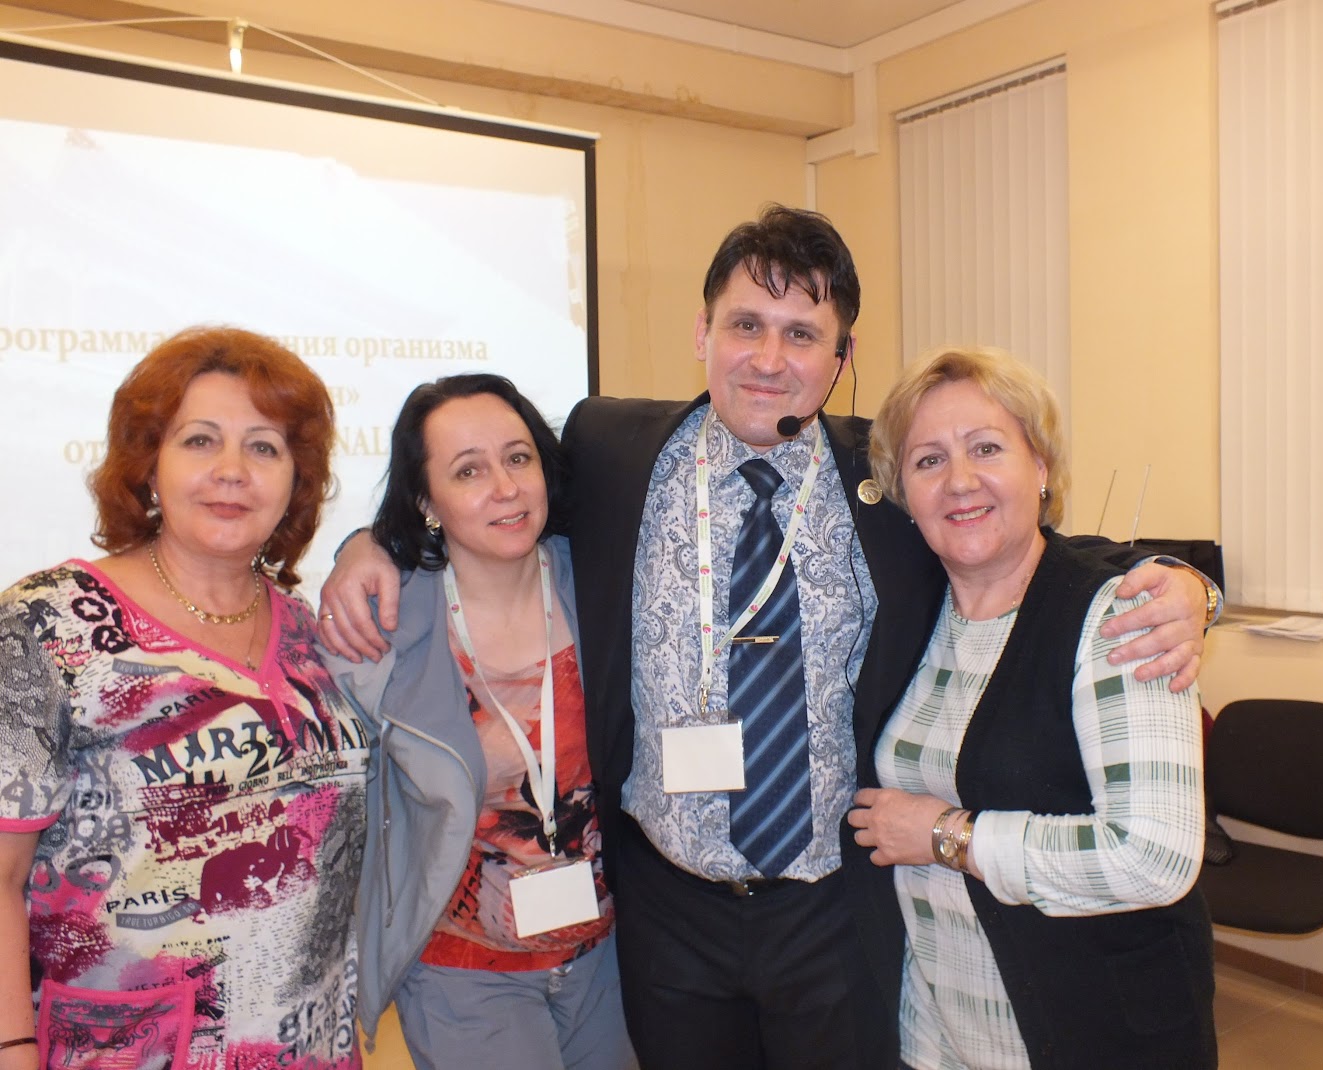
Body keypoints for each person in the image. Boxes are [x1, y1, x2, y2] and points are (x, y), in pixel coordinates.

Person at [317, 205, 1218, 1070]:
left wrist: (1184, 584)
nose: (768, 358)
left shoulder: (889, 474)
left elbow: (1013, 531)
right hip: (667, 907)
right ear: (701, 332)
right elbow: (486, 500)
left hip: (834, 908)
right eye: (745, 324)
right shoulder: (609, 447)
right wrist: (369, 545)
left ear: (841, 357)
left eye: (802, 333)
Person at [0, 327, 366, 1070]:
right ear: (148, 466)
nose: (232, 471)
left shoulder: (313, 632)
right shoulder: (46, 624)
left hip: (308, 1045)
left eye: (264, 447)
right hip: (127, 1049)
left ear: (295, 480)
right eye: (200, 441)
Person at [847, 347, 1215, 1070]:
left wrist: (947, 836)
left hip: (1087, 1031)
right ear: (904, 496)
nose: (959, 480)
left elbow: (1153, 857)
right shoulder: (911, 615)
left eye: (986, 448)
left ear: (1039, 467)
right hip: (938, 1029)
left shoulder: (1120, 619)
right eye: (928, 460)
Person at [323, 374, 634, 1070]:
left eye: (518, 458)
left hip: (610, 962)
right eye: (468, 471)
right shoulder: (383, 625)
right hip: (464, 975)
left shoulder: (602, 581)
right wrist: (361, 544)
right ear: (425, 501)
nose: (505, 487)